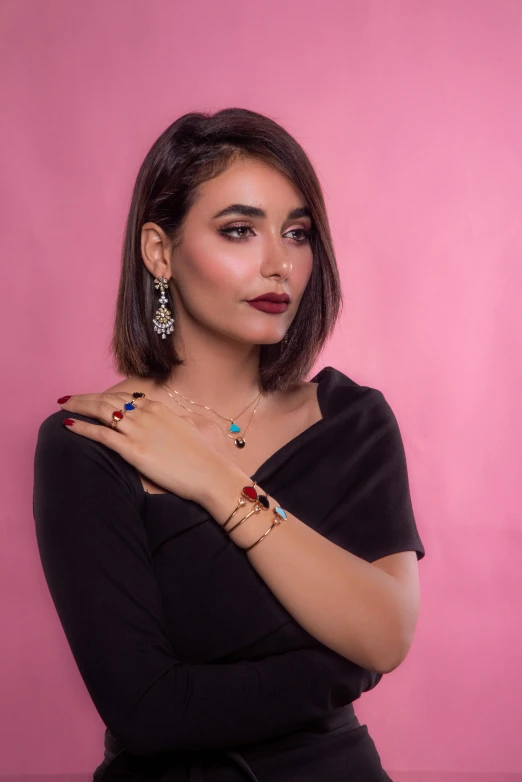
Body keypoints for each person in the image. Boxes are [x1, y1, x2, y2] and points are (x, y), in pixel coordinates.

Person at [33, 108, 425, 781]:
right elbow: (150, 711)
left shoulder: (353, 423)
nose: (279, 263)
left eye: (297, 233)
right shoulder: (91, 444)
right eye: (239, 230)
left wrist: (215, 479)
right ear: (160, 251)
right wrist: (343, 666)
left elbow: (387, 635)